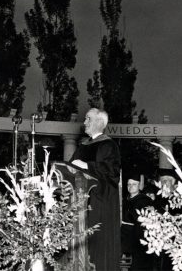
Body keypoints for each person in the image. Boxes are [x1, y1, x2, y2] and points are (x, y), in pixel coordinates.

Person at [70, 108, 121, 271]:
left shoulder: (108, 145)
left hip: (99, 203)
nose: (84, 122)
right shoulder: (83, 146)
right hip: (81, 203)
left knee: (98, 243)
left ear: (100, 122)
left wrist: (87, 166)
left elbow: (111, 172)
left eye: (88, 119)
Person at [121, 173, 154, 271]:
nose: (130, 186)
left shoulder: (144, 200)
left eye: (134, 184)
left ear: (139, 186)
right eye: (129, 184)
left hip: (136, 236)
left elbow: (138, 218)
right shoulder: (124, 199)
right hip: (123, 234)